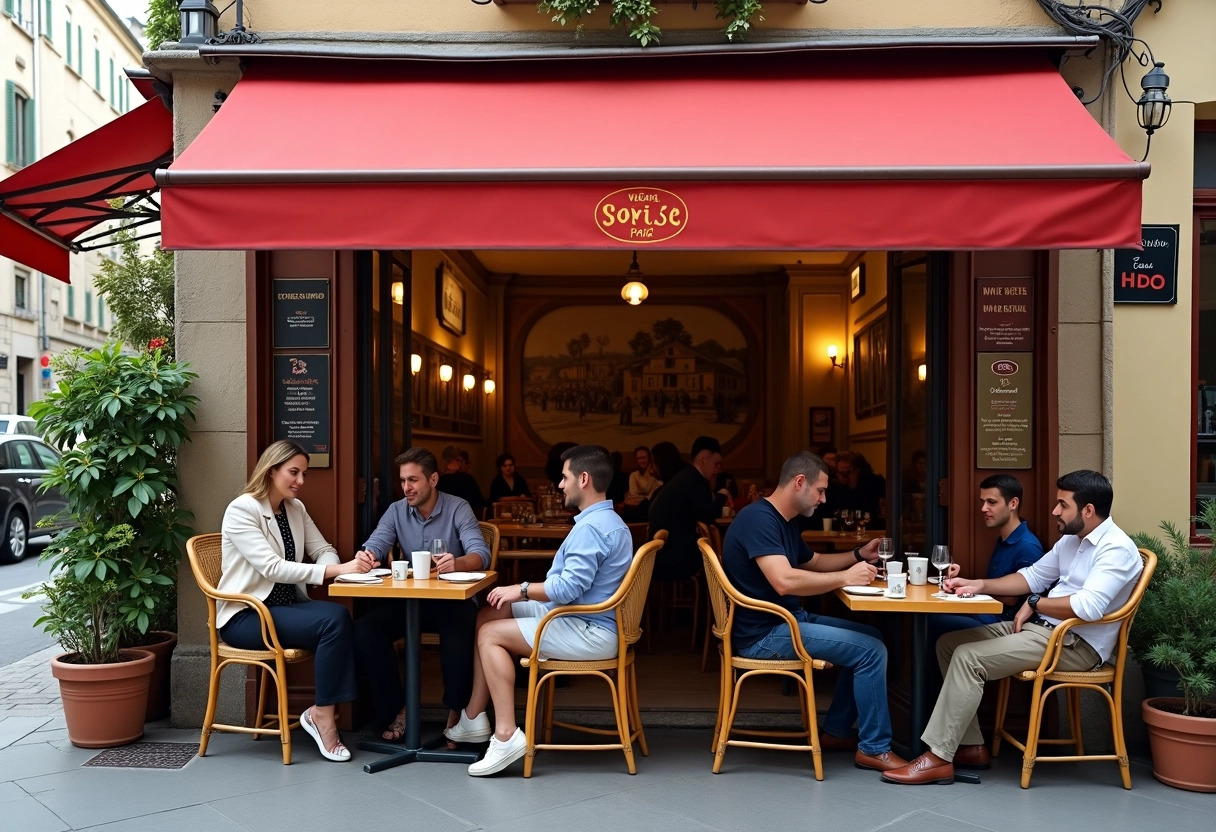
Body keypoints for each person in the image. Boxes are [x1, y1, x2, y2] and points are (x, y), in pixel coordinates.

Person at [881, 470, 1143, 785]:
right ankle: (970, 745)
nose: (1055, 511)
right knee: (949, 644)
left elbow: (1088, 607)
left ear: (1088, 510)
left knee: (969, 657)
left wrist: (1035, 603)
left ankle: (938, 757)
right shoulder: (1072, 541)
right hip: (1044, 630)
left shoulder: (1116, 548)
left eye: (1063, 505)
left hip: (1074, 644)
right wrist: (977, 584)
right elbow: (1031, 577)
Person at [448, 445, 633, 776]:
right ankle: (474, 718)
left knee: (490, 634)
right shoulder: (610, 520)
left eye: (565, 478)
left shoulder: (591, 527)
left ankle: (505, 735)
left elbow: (566, 590)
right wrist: (516, 597)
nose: (561, 485)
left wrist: (519, 590)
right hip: (584, 620)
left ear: (584, 479)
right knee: (489, 615)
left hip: (587, 630)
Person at [723, 450, 907, 772]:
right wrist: (846, 577)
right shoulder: (759, 520)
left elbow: (816, 562)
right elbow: (783, 581)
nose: (824, 499)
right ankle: (875, 749)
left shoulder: (784, 520)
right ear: (799, 483)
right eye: (820, 490)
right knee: (872, 651)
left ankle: (835, 732)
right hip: (765, 634)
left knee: (873, 636)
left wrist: (857, 554)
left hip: (786, 622)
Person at [219, 440, 375, 762]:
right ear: (271, 470)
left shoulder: (295, 509)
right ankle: (325, 720)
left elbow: (322, 549)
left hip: (285, 606)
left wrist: (338, 569)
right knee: (333, 620)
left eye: (303, 473)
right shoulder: (242, 509)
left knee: (343, 618)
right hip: (247, 615)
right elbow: (271, 568)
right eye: (294, 472)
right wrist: (339, 569)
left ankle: (323, 712)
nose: (300, 481)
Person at [353, 447, 491, 743]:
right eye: (403, 481)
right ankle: (399, 708)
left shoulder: (458, 507)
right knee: (365, 631)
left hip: (454, 601)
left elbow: (481, 553)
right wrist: (366, 556)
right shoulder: (396, 510)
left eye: (413, 480)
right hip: (410, 602)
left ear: (433, 479)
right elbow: (377, 542)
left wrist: (458, 562)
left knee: (460, 632)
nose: (406, 488)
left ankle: (457, 713)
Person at [928, 474, 1044, 642]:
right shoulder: (1004, 539)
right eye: (983, 501)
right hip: (986, 616)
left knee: (934, 621)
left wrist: (969, 587)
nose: (983, 508)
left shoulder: (1027, 546)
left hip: (1005, 627)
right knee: (933, 614)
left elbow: (1015, 598)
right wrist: (963, 585)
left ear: (1013, 503)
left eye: (991, 502)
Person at [648, 436, 729, 582]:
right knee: (727, 559)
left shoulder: (686, 477)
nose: (718, 470)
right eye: (716, 464)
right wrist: (721, 496)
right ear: (704, 460)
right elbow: (708, 515)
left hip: (661, 554)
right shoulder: (696, 481)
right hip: (675, 558)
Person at [438, 444, 486, 519]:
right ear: (449, 461)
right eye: (458, 460)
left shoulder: (438, 480)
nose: (460, 463)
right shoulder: (466, 479)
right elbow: (479, 505)